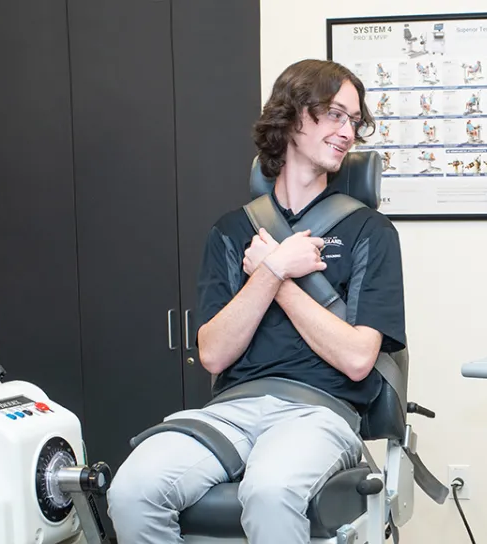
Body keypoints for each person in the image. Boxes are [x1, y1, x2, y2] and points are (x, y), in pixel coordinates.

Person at [105, 59, 407, 544]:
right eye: (333, 114)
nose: (346, 131)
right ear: (291, 118)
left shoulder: (370, 232)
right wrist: (271, 269)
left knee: (269, 491)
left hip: (318, 410)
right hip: (232, 410)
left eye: (353, 120)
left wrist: (279, 276)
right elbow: (213, 354)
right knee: (132, 492)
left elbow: (356, 359)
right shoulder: (231, 233)